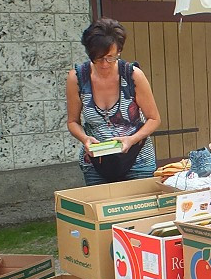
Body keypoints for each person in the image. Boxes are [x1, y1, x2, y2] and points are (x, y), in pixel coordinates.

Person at [66, 19, 161, 185]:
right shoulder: (77, 78)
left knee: (138, 208)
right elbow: (73, 122)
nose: (104, 64)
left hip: (138, 160)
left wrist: (131, 139)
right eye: (98, 58)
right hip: (96, 163)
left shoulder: (132, 75)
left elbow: (154, 119)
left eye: (110, 57)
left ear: (119, 51)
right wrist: (85, 139)